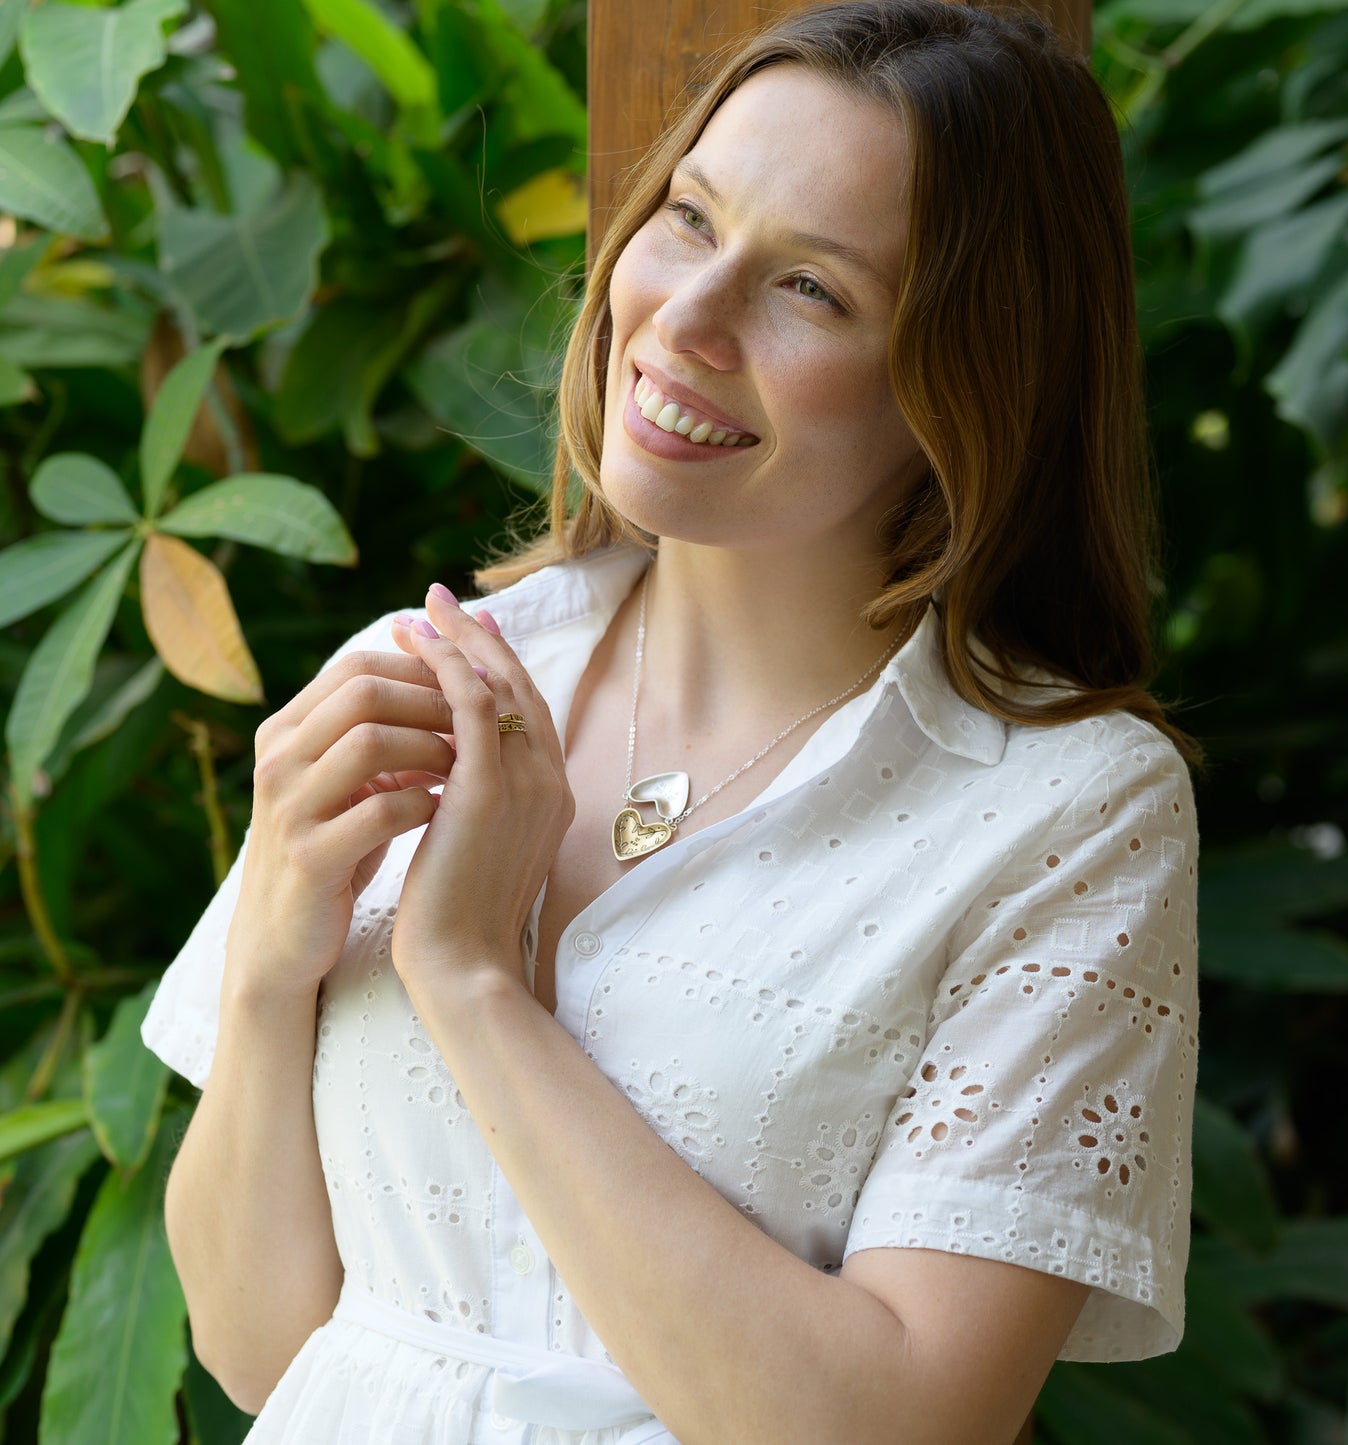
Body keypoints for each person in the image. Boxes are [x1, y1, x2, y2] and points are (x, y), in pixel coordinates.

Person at [142, 3, 1200, 1442]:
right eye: (689, 218)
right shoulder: (419, 676)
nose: (686, 320)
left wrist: (471, 981)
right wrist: (273, 960)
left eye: (811, 289)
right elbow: (264, 1352)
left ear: (972, 380)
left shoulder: (1066, 811)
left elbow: (900, 1425)